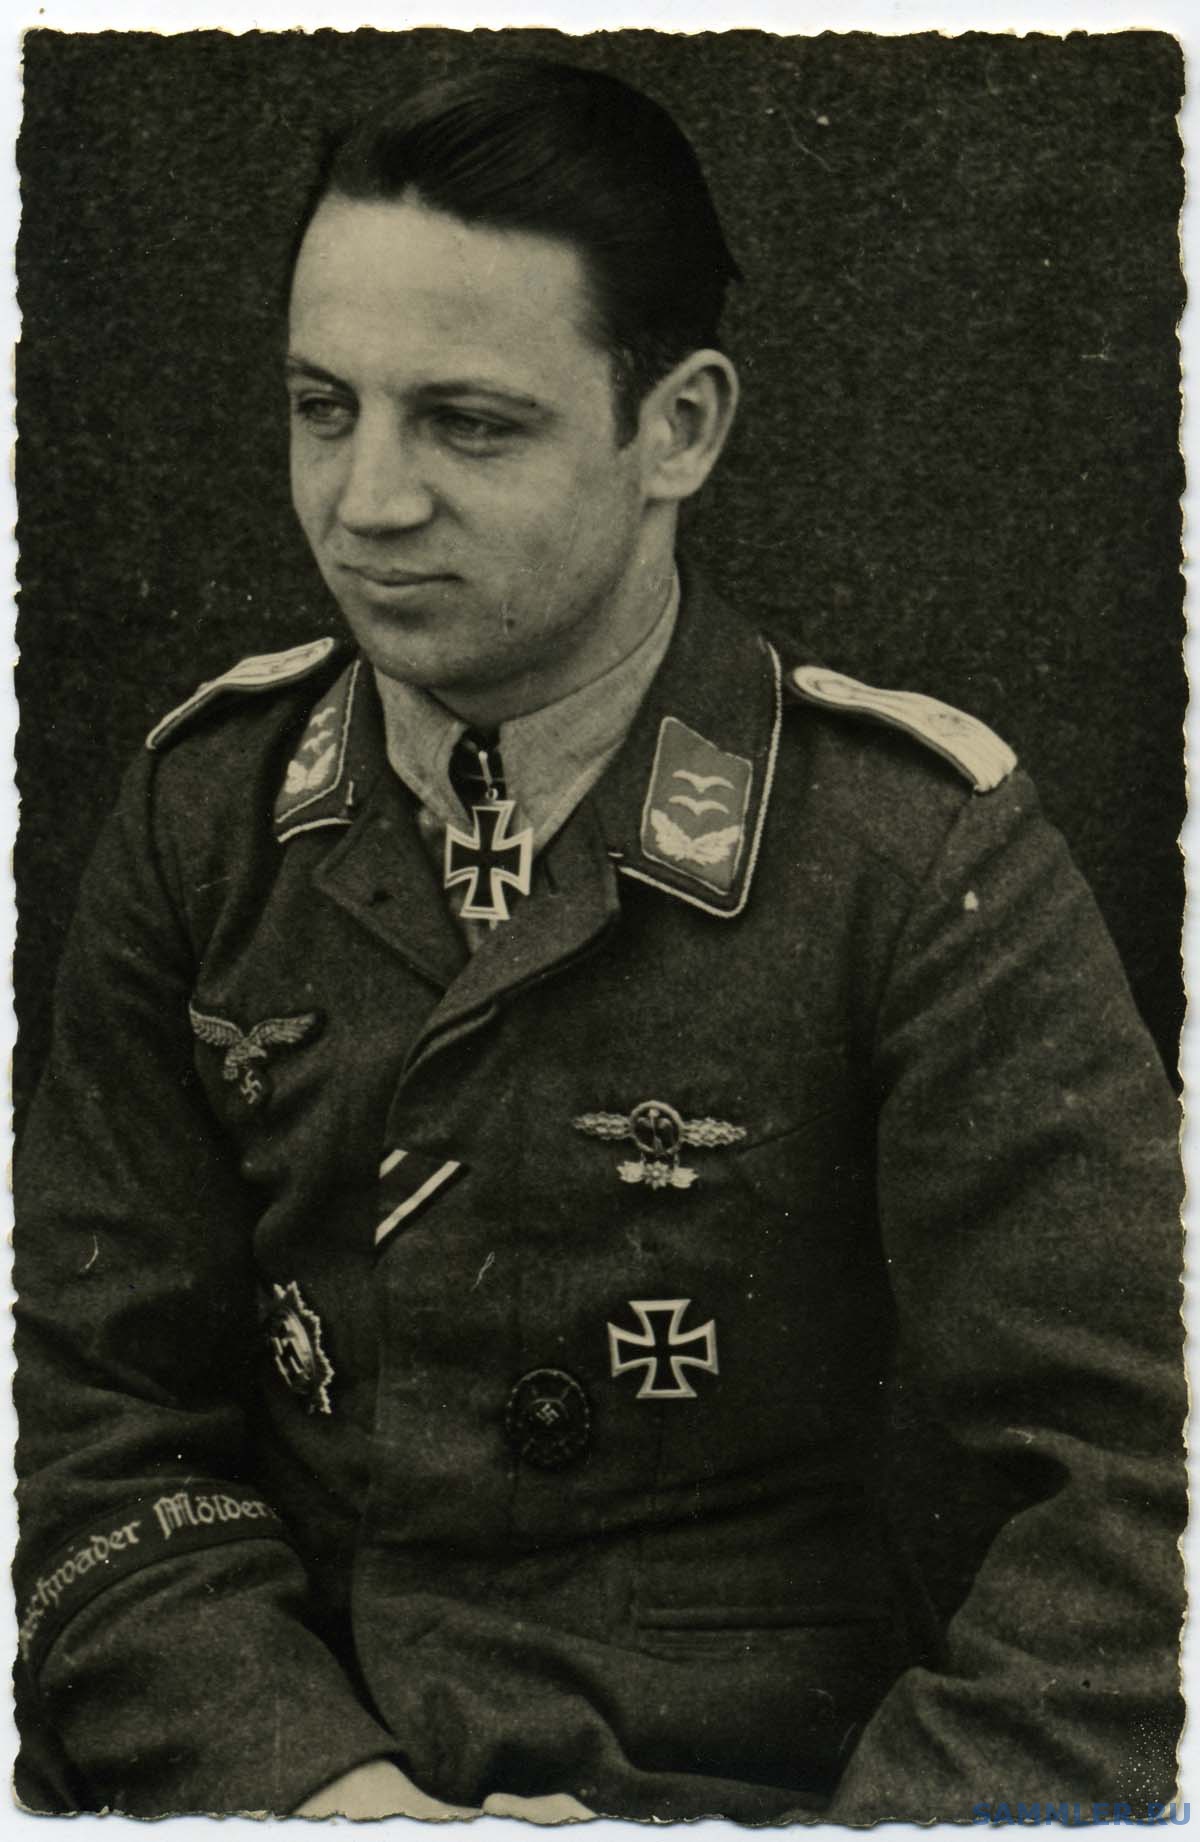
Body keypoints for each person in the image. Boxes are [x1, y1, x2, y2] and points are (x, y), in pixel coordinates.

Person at [14, 57, 1184, 1823]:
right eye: (323, 407)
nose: (366, 499)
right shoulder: (209, 813)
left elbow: (1148, 1487)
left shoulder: (909, 853)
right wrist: (324, 1793)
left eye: (469, 424)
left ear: (680, 429)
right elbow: (82, 1407)